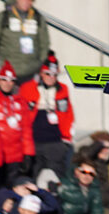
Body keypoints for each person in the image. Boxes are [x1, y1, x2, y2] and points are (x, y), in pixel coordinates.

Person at [19, 52, 74, 180]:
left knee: (57, 177)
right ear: (41, 73)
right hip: (34, 142)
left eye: (54, 74)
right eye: (47, 73)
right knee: (34, 176)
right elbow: (22, 115)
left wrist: (66, 139)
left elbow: (67, 114)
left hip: (55, 142)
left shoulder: (62, 89)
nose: (51, 77)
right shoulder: (27, 88)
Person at [0, 60, 35, 185]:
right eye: (4, 79)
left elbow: (26, 130)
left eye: (11, 80)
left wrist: (28, 154)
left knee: (11, 191)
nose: (7, 83)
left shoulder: (20, 101)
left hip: (15, 156)